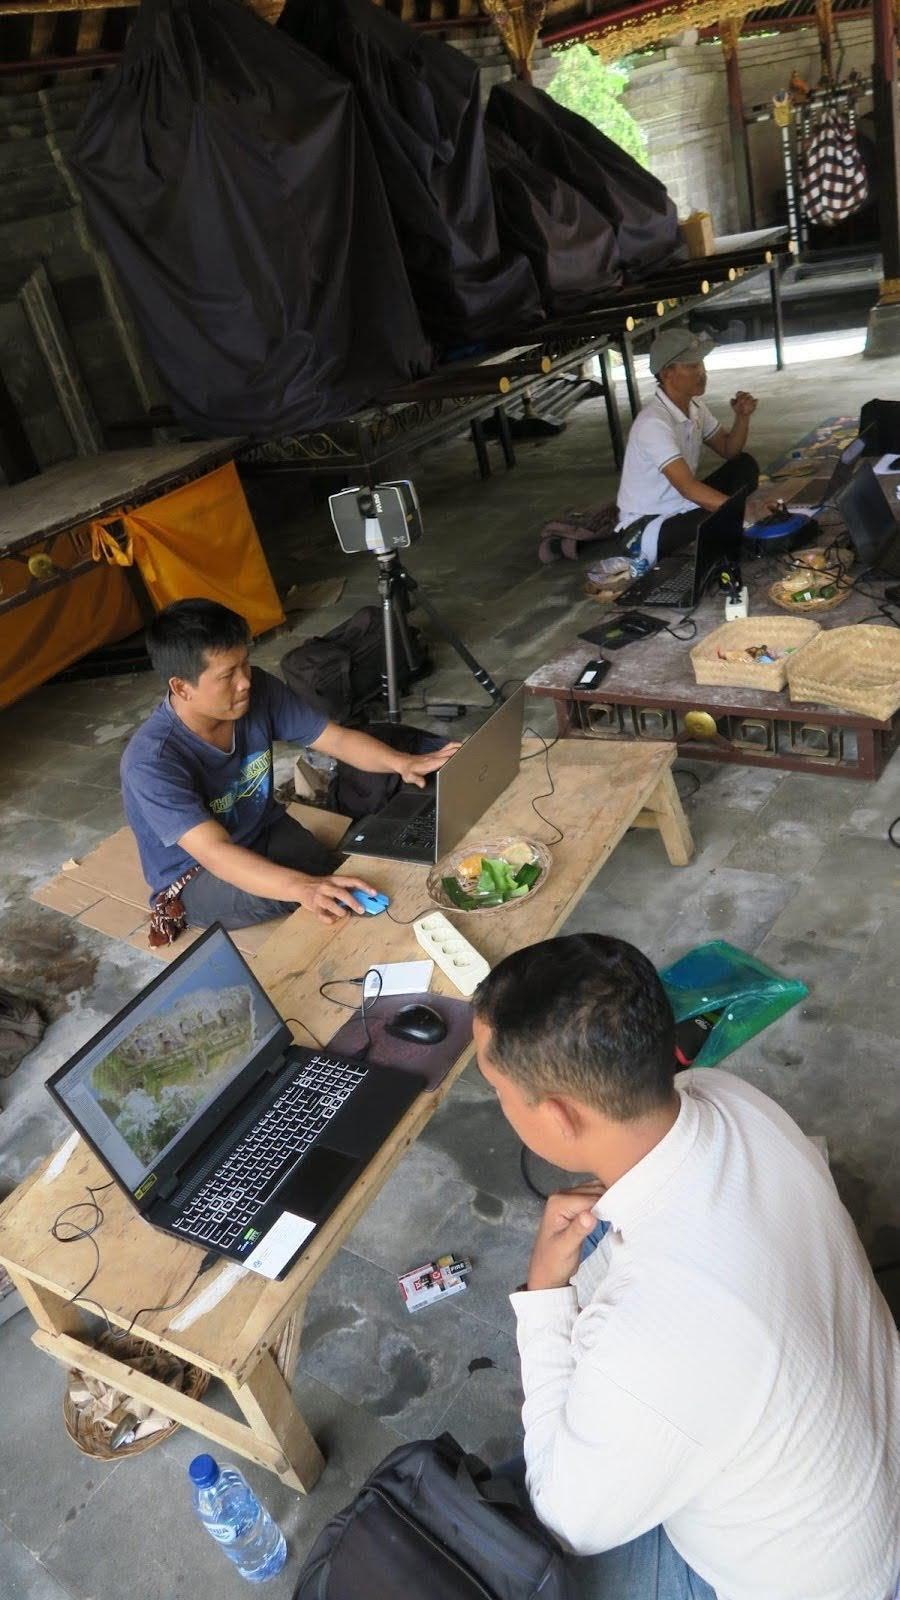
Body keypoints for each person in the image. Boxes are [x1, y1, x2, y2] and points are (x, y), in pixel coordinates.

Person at [472, 934, 900, 1600]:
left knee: (507, 1551)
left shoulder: (658, 1339)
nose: (499, 1105)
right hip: (863, 1487)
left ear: (557, 1115)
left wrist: (546, 1297)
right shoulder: (726, 1096)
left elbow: (563, 1517)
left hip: (826, 1580)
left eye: (498, 1089)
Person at [120, 598, 459, 940]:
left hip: (260, 829)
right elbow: (216, 853)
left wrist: (404, 763)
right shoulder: (151, 762)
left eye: (245, 664)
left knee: (324, 870)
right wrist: (302, 889)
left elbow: (335, 739)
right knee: (299, 892)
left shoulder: (258, 692)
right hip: (196, 874)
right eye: (227, 675)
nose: (245, 682)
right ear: (181, 687)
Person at [616, 328, 760, 567]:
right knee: (718, 516)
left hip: (681, 506)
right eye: (691, 366)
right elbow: (688, 488)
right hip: (647, 527)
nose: (701, 372)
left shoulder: (694, 406)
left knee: (744, 465)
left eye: (701, 364)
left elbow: (728, 450)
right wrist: (741, 511)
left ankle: (726, 517)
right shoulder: (653, 423)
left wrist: (742, 417)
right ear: (667, 373)